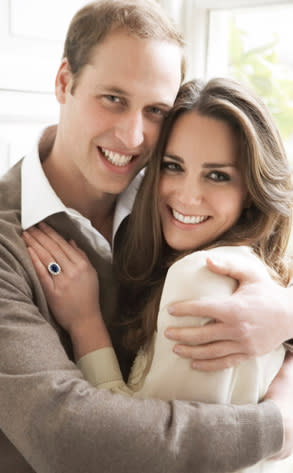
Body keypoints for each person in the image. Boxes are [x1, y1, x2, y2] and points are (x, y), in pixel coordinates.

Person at [0, 0, 292, 472]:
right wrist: (277, 427)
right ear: (63, 82)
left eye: (155, 109)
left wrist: (285, 314)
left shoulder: (174, 201)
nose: (133, 137)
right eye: (113, 98)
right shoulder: (6, 241)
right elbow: (66, 436)